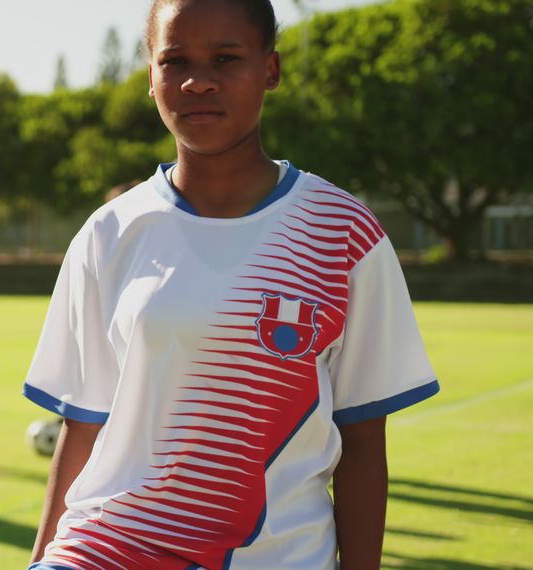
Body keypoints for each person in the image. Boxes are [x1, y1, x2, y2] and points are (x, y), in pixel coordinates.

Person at [23, 1, 440, 568]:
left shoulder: (342, 233)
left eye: (226, 58)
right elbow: (83, 427)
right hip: (105, 548)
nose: (198, 82)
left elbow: (363, 444)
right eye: (174, 61)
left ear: (270, 69)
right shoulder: (109, 231)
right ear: (151, 77)